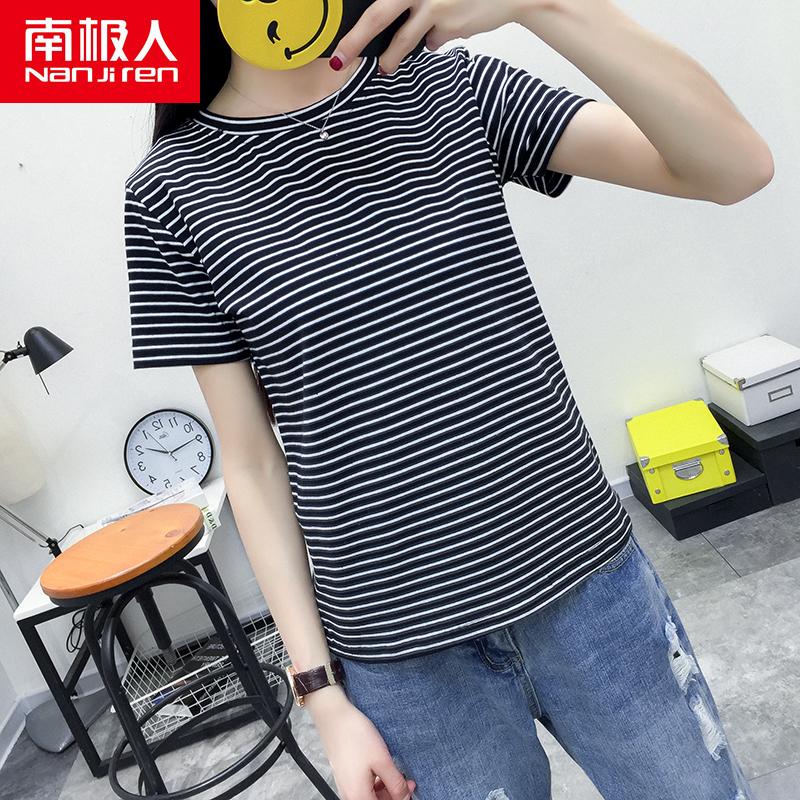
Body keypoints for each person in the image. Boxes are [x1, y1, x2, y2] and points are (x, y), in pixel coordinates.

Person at [123, 0, 773, 798]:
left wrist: (541, 4)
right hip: (407, 664)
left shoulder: (447, 88)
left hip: (589, 591)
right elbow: (253, 464)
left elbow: (734, 167)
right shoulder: (169, 192)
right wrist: (322, 697)